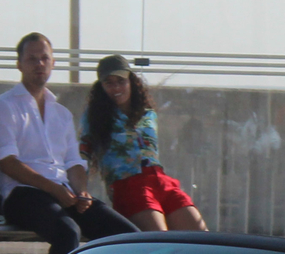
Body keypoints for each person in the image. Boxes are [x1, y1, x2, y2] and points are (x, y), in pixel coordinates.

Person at [0, 32, 137, 254]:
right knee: (67, 232)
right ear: (19, 65)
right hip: (22, 195)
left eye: (44, 58)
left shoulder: (61, 113)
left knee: (128, 235)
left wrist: (81, 192)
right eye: (32, 59)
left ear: (53, 63)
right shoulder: (3, 106)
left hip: (63, 192)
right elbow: (8, 163)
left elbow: (73, 162)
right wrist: (55, 190)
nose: (39, 64)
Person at [80, 56, 209, 231]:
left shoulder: (148, 114)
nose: (116, 87)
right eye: (109, 83)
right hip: (128, 185)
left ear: (131, 81)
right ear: (101, 87)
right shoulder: (94, 117)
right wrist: (79, 189)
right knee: (159, 241)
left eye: (121, 81)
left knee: (200, 236)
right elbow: (82, 155)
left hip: (161, 180)